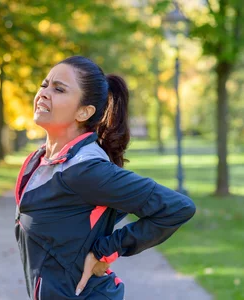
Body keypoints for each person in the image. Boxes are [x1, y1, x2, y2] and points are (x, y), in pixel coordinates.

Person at [15, 56, 196, 300]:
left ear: (84, 111)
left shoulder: (85, 170)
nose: (45, 93)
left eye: (58, 89)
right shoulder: (38, 161)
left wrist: (106, 251)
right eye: (44, 85)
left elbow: (177, 207)